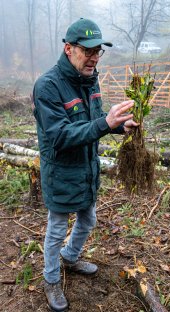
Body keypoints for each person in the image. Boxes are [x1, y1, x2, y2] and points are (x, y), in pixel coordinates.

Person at [33, 18, 138, 312]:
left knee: (88, 219)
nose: (94, 57)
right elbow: (60, 136)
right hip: (62, 173)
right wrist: (105, 123)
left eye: (98, 51)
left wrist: (119, 126)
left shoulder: (91, 80)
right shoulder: (48, 86)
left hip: (87, 171)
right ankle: (51, 279)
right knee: (56, 229)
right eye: (88, 50)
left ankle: (71, 256)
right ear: (69, 49)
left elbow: (96, 118)